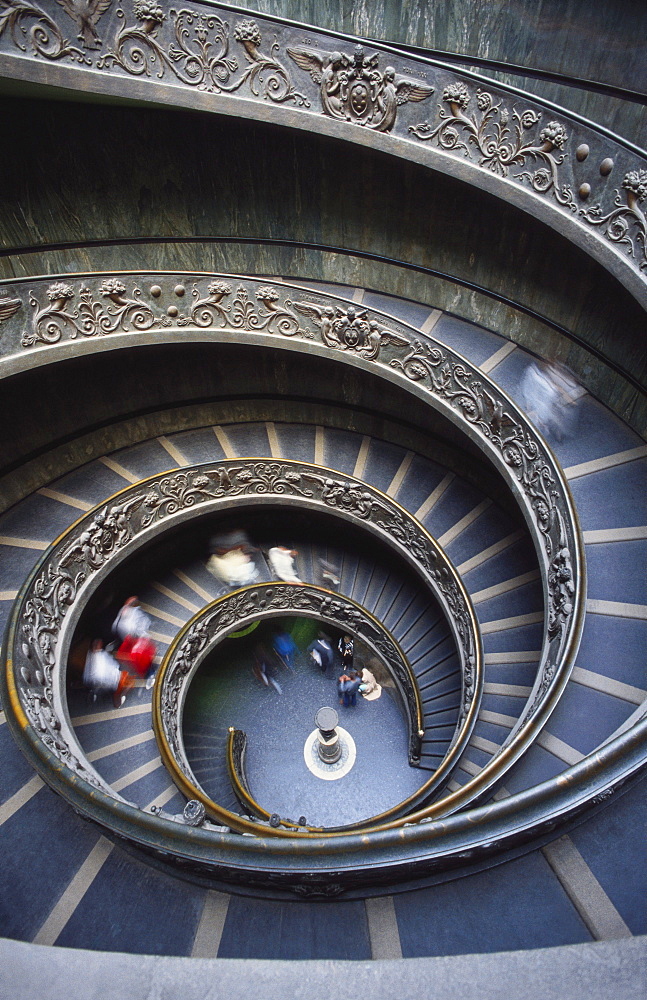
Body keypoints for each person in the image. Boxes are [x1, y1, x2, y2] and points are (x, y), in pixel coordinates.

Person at [113, 596, 156, 689]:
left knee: (143, 659)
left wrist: (141, 639)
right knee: (136, 660)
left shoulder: (136, 614)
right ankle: (146, 672)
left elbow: (143, 626)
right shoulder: (124, 612)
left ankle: (150, 674)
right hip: (129, 640)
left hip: (138, 639)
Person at [83, 639, 133, 708]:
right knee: (130, 683)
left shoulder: (91, 654)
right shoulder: (102, 655)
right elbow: (113, 666)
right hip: (112, 679)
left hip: (94, 680)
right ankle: (119, 700)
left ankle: (95, 692)